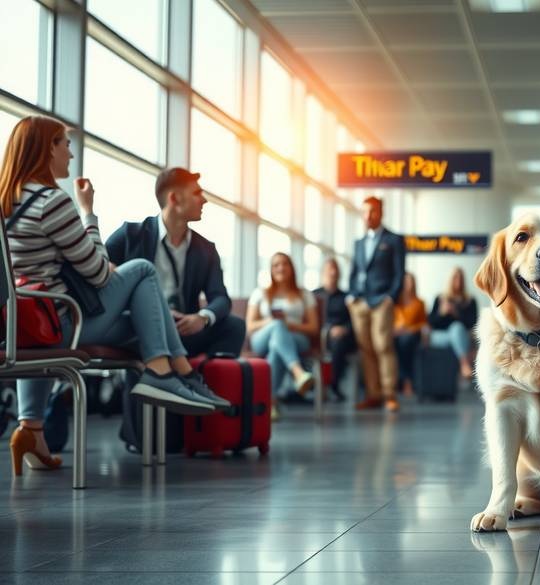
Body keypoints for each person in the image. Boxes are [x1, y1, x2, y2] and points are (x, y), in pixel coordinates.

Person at [3, 116, 223, 475]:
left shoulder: (5, 202)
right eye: (66, 145)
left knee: (136, 315)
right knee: (141, 270)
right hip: (60, 324)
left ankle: (31, 431)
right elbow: (97, 269)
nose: (71, 155)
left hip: (17, 327)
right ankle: (166, 372)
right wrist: (88, 212)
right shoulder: (51, 203)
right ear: (48, 149)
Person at [105, 167, 246, 358]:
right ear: (174, 198)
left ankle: (204, 380)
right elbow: (100, 276)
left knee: (234, 325)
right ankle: (158, 379)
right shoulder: (130, 235)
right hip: (141, 326)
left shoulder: (206, 249)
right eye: (197, 193)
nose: (204, 200)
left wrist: (201, 318)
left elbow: (220, 298)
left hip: (183, 328)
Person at [348, 196, 406, 412]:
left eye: (372, 211)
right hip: (359, 302)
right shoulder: (359, 243)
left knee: (383, 345)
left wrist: (391, 297)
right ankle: (373, 394)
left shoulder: (394, 240)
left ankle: (389, 394)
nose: (368, 216)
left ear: (381, 212)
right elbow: (354, 271)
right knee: (366, 349)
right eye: (364, 212)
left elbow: (399, 273)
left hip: (382, 300)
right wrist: (351, 295)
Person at [245, 253, 319, 414]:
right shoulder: (260, 293)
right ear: (271, 269)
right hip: (261, 338)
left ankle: (270, 403)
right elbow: (250, 325)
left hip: (296, 337)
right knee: (277, 328)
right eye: (276, 265)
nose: (281, 268)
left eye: (285, 264)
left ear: (291, 268)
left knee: (276, 347)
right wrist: (272, 322)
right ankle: (298, 373)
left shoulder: (304, 294)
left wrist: (290, 325)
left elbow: (313, 327)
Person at [313, 257, 356, 401]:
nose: (332, 273)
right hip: (319, 335)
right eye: (329, 269)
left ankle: (333, 385)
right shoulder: (314, 295)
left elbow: (353, 321)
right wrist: (328, 329)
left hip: (342, 336)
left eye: (335, 270)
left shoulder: (346, 297)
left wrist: (344, 329)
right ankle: (314, 386)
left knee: (339, 343)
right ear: (322, 273)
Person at [426, 267, 478, 380]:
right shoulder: (440, 299)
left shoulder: (470, 300)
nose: (458, 281)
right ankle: (464, 363)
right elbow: (431, 323)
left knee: (456, 328)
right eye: (455, 278)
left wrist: (456, 314)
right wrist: (441, 313)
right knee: (455, 332)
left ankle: (462, 363)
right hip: (440, 336)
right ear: (450, 280)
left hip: (462, 335)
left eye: (460, 278)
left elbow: (472, 323)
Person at [394, 273, 427, 397]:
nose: (409, 285)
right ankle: (395, 382)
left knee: (405, 342)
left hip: (413, 335)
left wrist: (408, 329)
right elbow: (391, 321)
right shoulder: (396, 303)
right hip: (396, 334)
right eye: (407, 282)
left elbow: (424, 324)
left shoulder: (420, 303)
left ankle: (407, 381)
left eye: (411, 281)